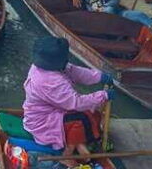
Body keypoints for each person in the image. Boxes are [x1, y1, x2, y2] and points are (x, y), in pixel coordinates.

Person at [22, 36, 111, 166]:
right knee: (81, 120)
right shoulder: (50, 80)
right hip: (43, 121)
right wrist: (103, 95)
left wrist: (99, 77)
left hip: (51, 110)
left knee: (93, 114)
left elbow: (76, 72)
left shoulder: (46, 66)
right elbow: (76, 102)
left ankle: (79, 145)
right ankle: (66, 155)